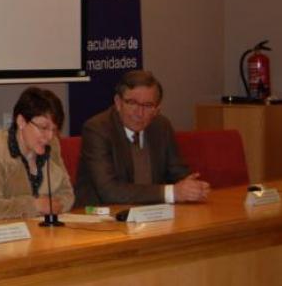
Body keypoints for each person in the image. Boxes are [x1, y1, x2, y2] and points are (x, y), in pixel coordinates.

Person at [74, 70, 210, 206]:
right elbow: (109, 191)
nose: (139, 113)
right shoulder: (98, 129)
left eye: (148, 105)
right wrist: (172, 192)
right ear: (118, 102)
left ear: (157, 109)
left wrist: (192, 187)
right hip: (103, 216)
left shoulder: (161, 126)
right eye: (132, 103)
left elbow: (177, 172)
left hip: (153, 214)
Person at [0, 87, 74, 220]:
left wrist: (54, 205)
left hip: (38, 231)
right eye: (43, 128)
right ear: (21, 121)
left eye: (54, 129)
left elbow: (67, 194)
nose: (49, 136)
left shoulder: (52, 146)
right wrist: (35, 206)